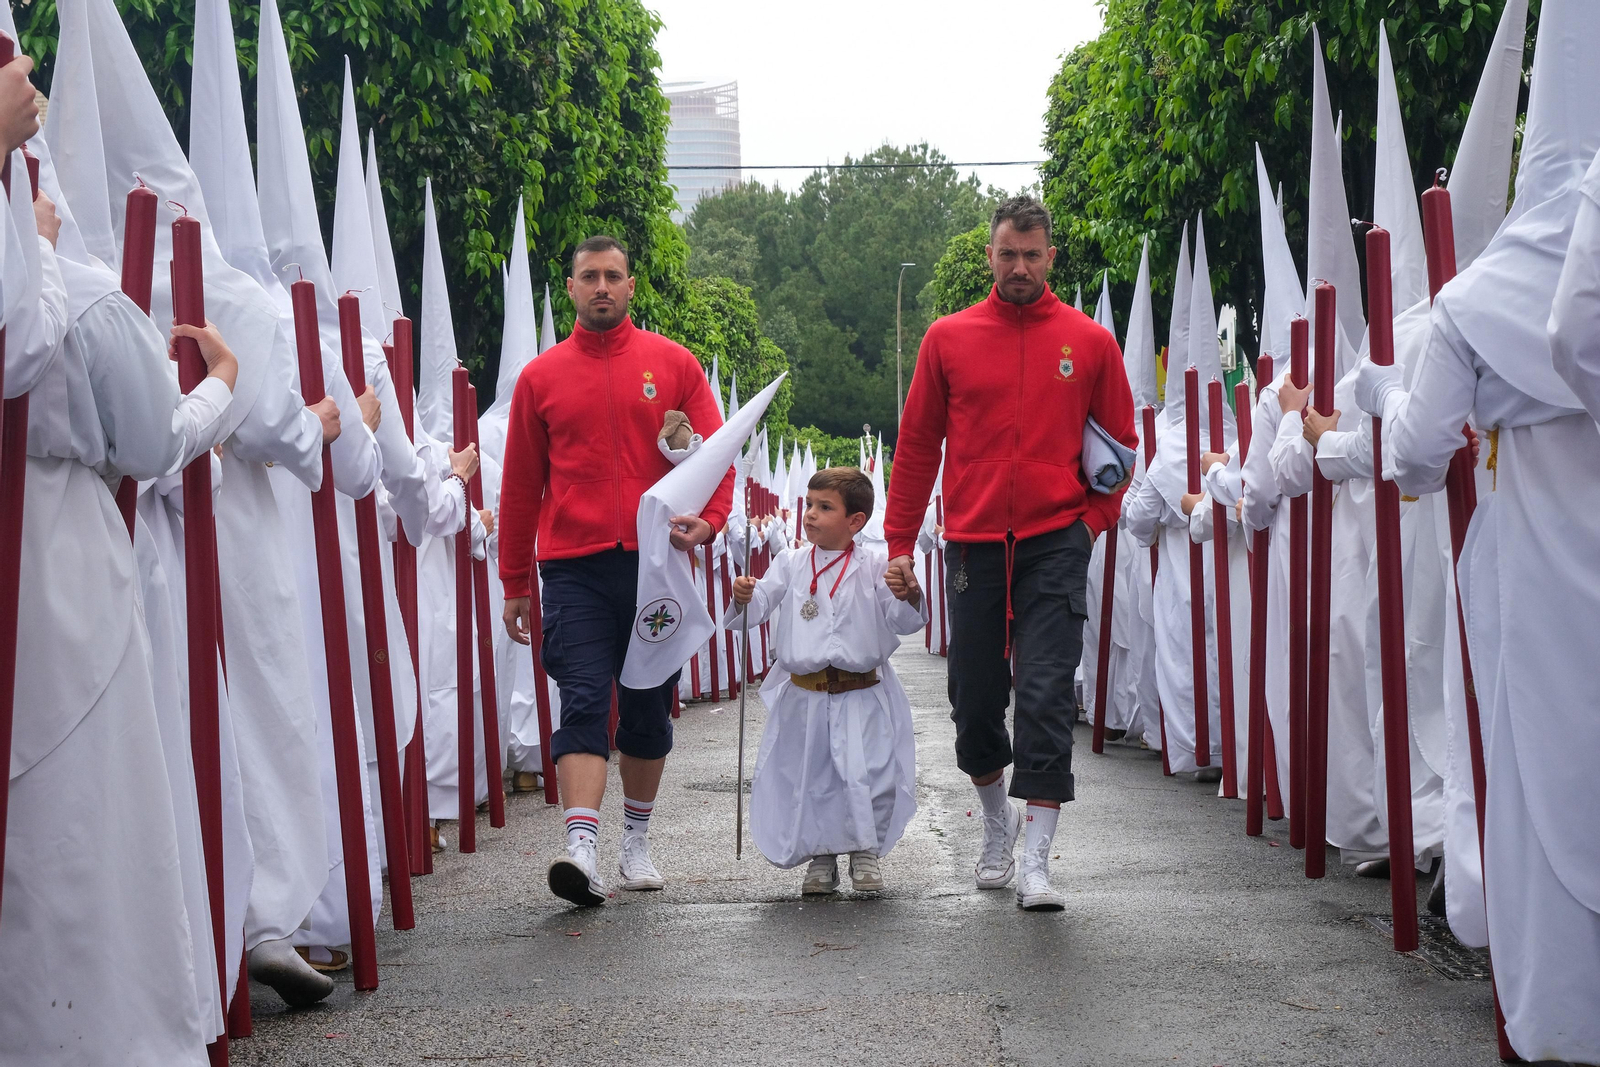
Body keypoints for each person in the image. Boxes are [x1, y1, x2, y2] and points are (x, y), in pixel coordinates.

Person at [883, 196, 1137, 911]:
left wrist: (1089, 524)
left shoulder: (1089, 343)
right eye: (1007, 254)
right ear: (990, 255)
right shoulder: (947, 338)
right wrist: (899, 543)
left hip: (1057, 541)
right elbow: (916, 449)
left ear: (1051, 257)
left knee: (1051, 693)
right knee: (975, 698)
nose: (1020, 267)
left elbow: (1120, 453)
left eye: (1032, 255)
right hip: (972, 543)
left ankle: (1036, 856)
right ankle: (997, 822)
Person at [500, 234, 731, 907]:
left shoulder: (674, 364)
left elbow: (717, 455)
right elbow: (520, 485)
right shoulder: (540, 378)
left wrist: (710, 522)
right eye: (588, 277)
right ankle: (580, 847)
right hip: (572, 568)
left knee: (644, 707)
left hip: (655, 569)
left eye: (613, 276)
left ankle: (636, 841)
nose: (601, 287)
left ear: (631, 287)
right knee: (580, 698)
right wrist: (516, 577)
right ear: (570, 288)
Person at [730, 468, 925, 894]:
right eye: (810, 505)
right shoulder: (792, 562)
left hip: (862, 691)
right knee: (813, 774)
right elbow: (760, 604)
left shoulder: (875, 565)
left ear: (855, 521)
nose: (811, 515)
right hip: (807, 693)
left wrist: (908, 594)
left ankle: (864, 850)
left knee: (868, 773)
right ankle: (820, 856)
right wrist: (746, 594)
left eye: (824, 507)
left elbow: (902, 619)